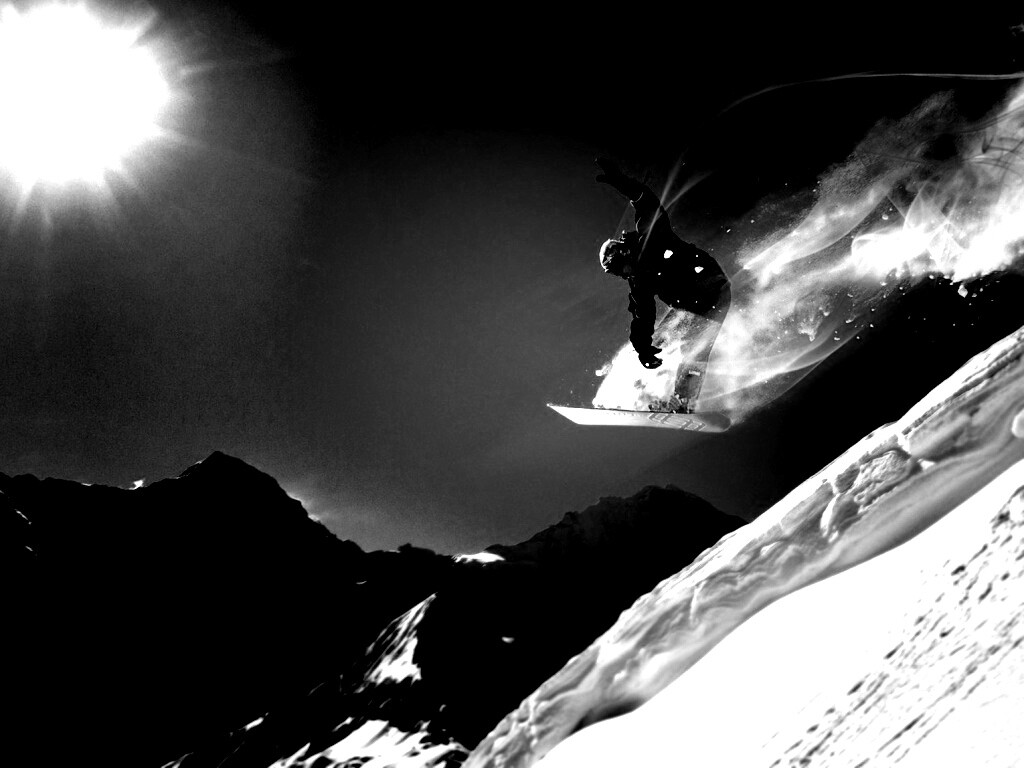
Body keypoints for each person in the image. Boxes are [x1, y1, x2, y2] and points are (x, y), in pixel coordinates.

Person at [596, 158, 730, 372]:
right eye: (614, 273)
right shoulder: (639, 280)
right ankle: (652, 381)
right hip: (690, 304)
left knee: (693, 350)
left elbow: (647, 204)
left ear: (624, 254)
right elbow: (643, 314)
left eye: (618, 269)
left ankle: (686, 385)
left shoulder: (653, 239)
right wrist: (642, 348)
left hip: (711, 289)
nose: (621, 275)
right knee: (662, 336)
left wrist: (624, 184)